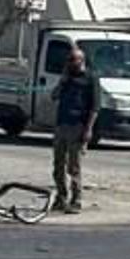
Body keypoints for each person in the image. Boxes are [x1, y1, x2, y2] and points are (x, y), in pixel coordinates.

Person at [50, 47, 97, 215]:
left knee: (74, 166)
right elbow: (54, 96)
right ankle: (61, 198)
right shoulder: (67, 78)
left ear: (81, 60)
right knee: (58, 165)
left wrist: (88, 130)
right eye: (68, 60)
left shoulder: (90, 79)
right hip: (62, 124)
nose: (69, 63)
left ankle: (76, 199)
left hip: (78, 126)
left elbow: (95, 107)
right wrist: (62, 81)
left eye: (72, 60)